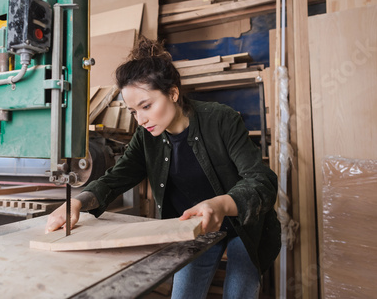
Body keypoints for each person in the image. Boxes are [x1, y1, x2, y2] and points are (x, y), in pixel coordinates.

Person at [46, 37, 281, 299]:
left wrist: (222, 204)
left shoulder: (221, 119)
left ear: (173, 93)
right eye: (133, 111)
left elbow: (262, 181)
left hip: (244, 226)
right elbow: (115, 179)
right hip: (195, 228)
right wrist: (78, 203)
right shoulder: (146, 137)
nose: (141, 119)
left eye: (146, 106)